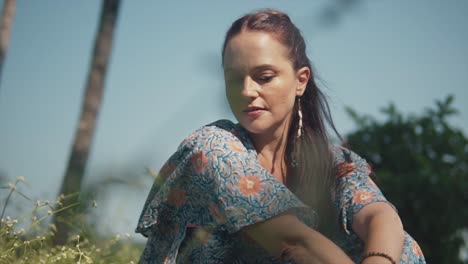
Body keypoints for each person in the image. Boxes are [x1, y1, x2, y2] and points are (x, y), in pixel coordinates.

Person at [136, 9, 426, 264]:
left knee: (401, 250)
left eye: (264, 76)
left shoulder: (328, 159)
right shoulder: (213, 148)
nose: (247, 91)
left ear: (300, 81)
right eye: (235, 78)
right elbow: (295, 243)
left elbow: (381, 216)